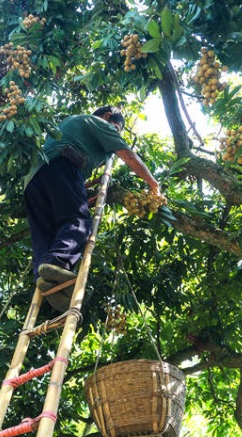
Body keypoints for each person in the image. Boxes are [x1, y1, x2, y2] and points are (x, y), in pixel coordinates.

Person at [23, 106, 161, 311]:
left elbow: (60, 184)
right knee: (78, 222)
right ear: (107, 116)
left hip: (33, 181)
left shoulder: (74, 124)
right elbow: (129, 156)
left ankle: (46, 281)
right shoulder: (97, 122)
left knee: (47, 235)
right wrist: (153, 184)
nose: (115, 133)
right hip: (63, 165)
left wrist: (83, 189)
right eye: (117, 128)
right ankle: (57, 263)